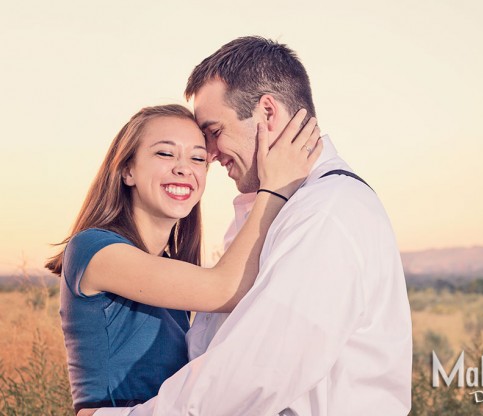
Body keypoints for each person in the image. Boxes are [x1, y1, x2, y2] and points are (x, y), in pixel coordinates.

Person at [91, 36, 413, 416]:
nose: (208, 154)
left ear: (267, 113)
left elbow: (254, 374)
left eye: (213, 131)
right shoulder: (275, 207)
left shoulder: (327, 212)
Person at [46, 103, 321, 413]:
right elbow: (225, 289)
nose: (184, 168)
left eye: (198, 158)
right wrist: (274, 187)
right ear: (127, 170)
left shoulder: (172, 268)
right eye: (165, 154)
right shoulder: (93, 248)